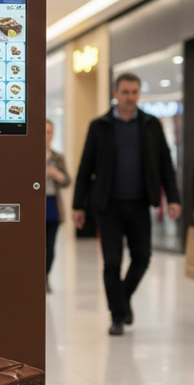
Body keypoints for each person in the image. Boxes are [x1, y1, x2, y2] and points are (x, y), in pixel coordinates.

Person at [72, 73, 181, 335]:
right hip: (108, 206)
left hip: (140, 203)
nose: (130, 97)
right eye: (125, 92)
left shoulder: (151, 125)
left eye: (134, 92)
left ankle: (121, 298)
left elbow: (166, 164)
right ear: (115, 94)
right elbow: (86, 166)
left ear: (138, 94)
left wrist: (174, 198)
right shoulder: (100, 126)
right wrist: (79, 205)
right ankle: (117, 316)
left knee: (142, 257)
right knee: (112, 262)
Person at [45, 119, 70, 292]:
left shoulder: (57, 157)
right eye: (44, 132)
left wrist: (58, 176)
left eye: (49, 132)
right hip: (32, 206)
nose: (46, 136)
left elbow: (67, 180)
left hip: (52, 204)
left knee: (50, 246)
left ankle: (44, 276)